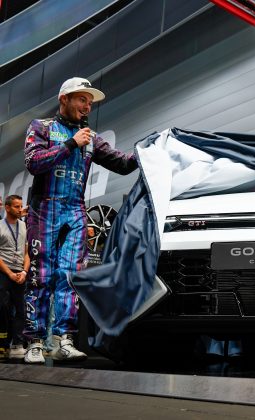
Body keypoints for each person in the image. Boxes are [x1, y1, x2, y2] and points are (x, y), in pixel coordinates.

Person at [23, 77, 138, 363]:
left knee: (70, 276)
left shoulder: (91, 137)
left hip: (75, 210)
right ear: (64, 99)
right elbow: (34, 163)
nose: (87, 106)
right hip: (44, 209)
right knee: (41, 276)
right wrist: (70, 144)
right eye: (82, 100)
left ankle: (64, 340)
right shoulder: (42, 127)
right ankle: (35, 342)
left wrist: (148, 151)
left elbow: (123, 164)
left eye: (90, 102)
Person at [0, 195, 30, 360]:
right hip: (4, 272)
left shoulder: (24, 226)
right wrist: (10, 273)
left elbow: (26, 253)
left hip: (20, 273)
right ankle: (3, 344)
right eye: (16, 206)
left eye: (21, 206)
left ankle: (17, 345)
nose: (20, 209)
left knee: (20, 309)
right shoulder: (0, 226)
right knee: (3, 307)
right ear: (7, 207)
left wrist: (24, 272)